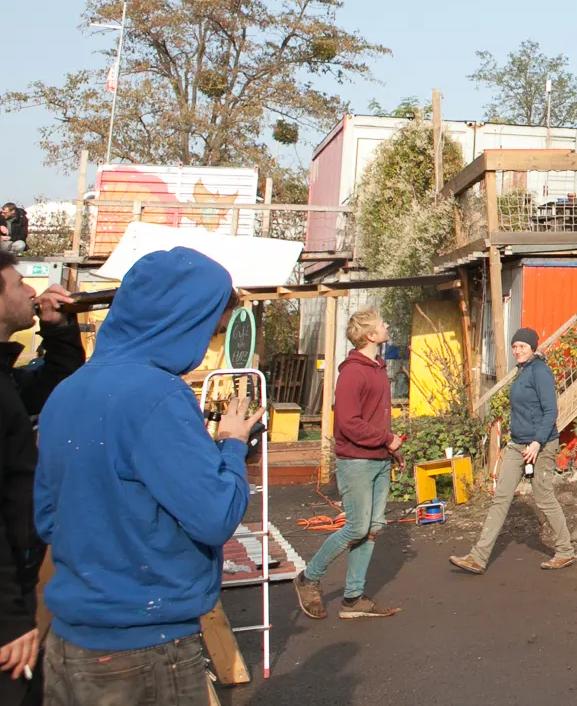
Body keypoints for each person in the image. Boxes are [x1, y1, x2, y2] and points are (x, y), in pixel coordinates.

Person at [35, 247, 262, 705]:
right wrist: (233, 445)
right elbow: (216, 516)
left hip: (69, 642)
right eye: (209, 329)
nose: (204, 345)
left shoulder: (66, 391)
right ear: (180, 322)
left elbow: (45, 518)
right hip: (144, 644)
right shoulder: (157, 395)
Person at [0, 261, 81, 700]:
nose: (31, 292)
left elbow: (55, 387)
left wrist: (57, 329)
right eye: (17, 284)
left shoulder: (6, 378)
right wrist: (9, 619)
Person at [295, 308, 403, 621]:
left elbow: (372, 418)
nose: (386, 325)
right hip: (356, 461)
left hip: (379, 459)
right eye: (381, 324)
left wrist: (390, 447)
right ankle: (308, 578)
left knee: (372, 529)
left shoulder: (378, 367)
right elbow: (348, 423)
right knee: (356, 527)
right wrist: (387, 439)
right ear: (370, 336)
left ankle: (353, 599)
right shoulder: (353, 372)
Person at [449, 328, 574, 575]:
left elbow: (551, 411)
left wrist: (538, 442)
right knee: (500, 498)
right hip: (518, 445)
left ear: (532, 348)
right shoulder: (522, 370)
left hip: (542, 444)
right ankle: (478, 557)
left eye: (522, 347)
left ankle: (565, 551)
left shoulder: (540, 372)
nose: (517, 350)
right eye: (514, 346)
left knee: (544, 497)